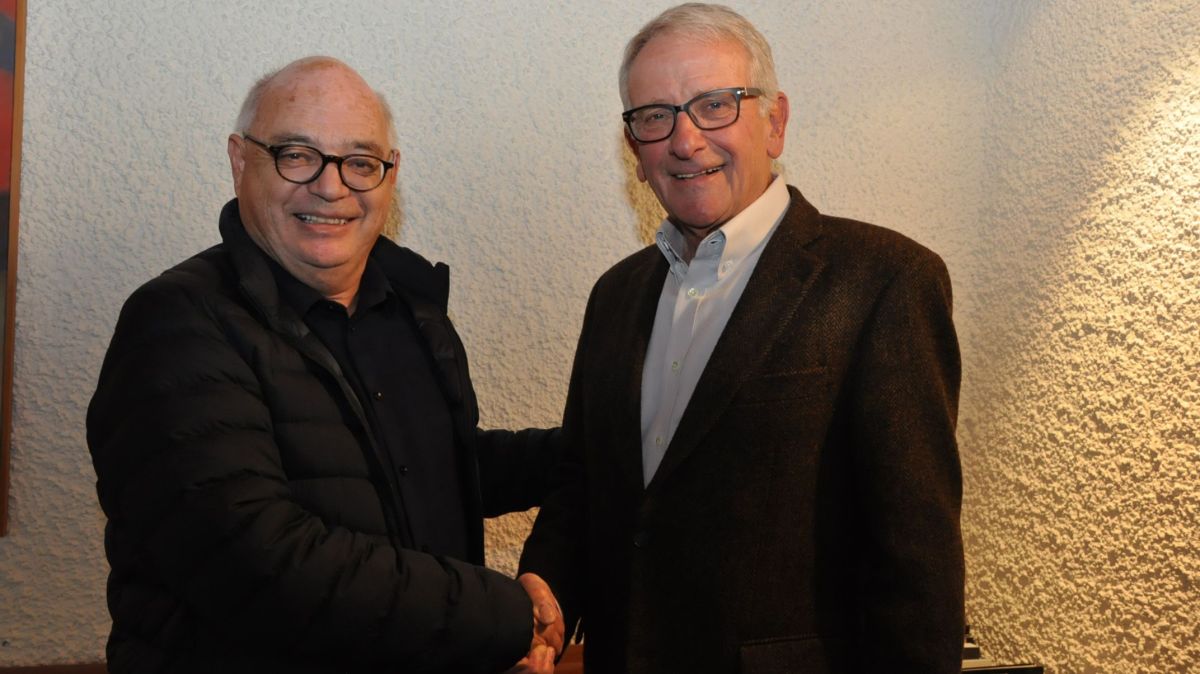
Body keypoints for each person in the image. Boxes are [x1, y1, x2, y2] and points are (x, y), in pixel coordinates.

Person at [519, 4, 964, 673]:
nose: (686, 140)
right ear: (635, 151)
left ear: (774, 122)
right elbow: (583, 484)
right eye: (655, 116)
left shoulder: (885, 282)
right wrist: (545, 592)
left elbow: (916, 560)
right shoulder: (614, 296)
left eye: (715, 105)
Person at [87, 56, 561, 674]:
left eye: (360, 162)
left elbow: (421, 471)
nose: (331, 187)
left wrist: (585, 453)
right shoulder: (177, 324)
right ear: (240, 160)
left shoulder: (409, 314)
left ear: (391, 176)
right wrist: (503, 614)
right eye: (297, 155)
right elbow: (258, 560)